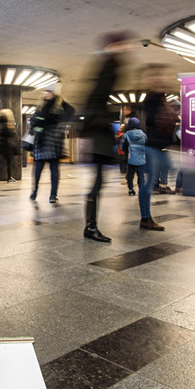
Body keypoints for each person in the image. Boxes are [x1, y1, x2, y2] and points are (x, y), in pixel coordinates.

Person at [81, 31, 134, 242]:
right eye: (122, 45)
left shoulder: (107, 68)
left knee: (98, 182)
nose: (126, 48)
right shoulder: (107, 68)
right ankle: (90, 227)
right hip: (98, 135)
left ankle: (91, 226)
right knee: (97, 183)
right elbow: (96, 96)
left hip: (98, 134)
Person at [139, 64, 179, 231]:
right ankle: (145, 218)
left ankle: (146, 217)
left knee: (174, 169)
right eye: (155, 77)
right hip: (152, 148)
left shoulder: (161, 99)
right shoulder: (152, 100)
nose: (160, 80)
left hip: (161, 148)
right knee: (148, 184)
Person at [29, 83, 74, 203]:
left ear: (55, 93)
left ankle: (53, 195)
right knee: (37, 170)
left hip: (53, 142)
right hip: (40, 141)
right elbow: (33, 121)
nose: (46, 93)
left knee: (54, 169)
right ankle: (34, 191)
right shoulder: (41, 107)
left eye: (49, 91)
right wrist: (38, 124)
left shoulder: (59, 108)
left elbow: (71, 111)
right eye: (45, 91)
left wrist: (61, 100)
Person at [122, 117, 146, 196]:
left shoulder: (127, 134)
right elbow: (146, 144)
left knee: (130, 174)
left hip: (130, 158)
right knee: (141, 174)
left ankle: (131, 189)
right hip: (141, 158)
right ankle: (141, 189)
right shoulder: (143, 134)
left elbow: (122, 145)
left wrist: (126, 152)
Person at [0, 108, 20, 182]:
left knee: (2, 162)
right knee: (8, 163)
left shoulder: (0, 123)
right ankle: (7, 177)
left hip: (2, 146)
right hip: (8, 146)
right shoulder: (7, 125)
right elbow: (11, 135)